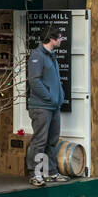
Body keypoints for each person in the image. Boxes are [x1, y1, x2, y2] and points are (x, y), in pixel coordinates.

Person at [26, 26, 66, 186]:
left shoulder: (51, 56)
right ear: (51, 39)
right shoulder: (37, 55)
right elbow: (34, 81)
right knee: (39, 141)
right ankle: (35, 174)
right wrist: (49, 97)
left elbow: (54, 80)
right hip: (41, 107)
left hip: (53, 106)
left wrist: (59, 97)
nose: (62, 39)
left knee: (52, 140)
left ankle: (51, 172)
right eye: (60, 37)